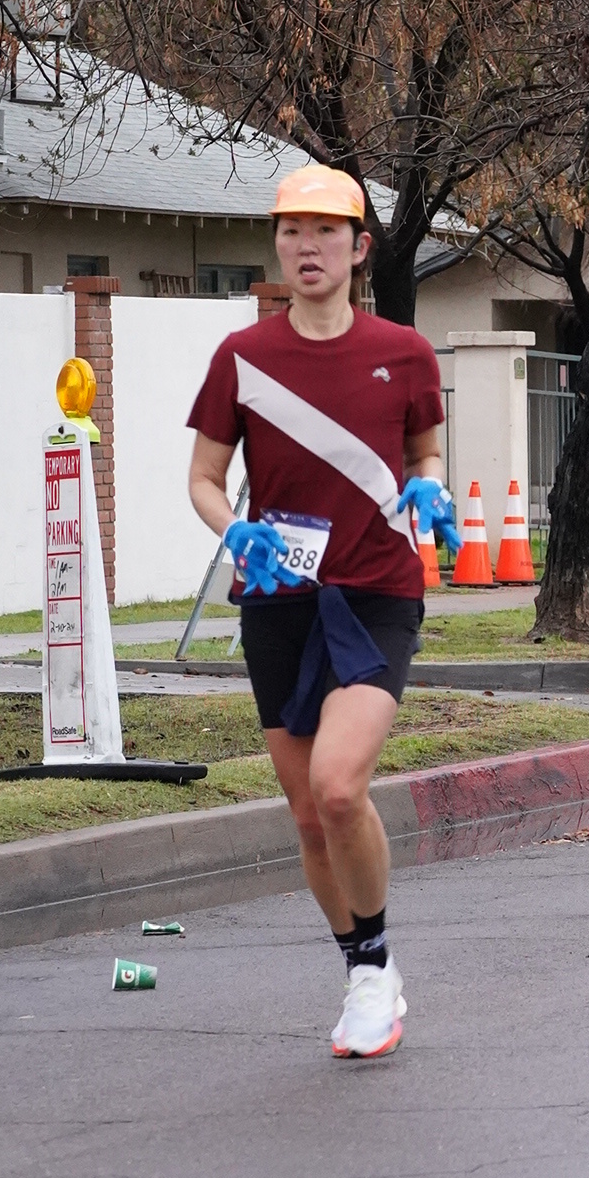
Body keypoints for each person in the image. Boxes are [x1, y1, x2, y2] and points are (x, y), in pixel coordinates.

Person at [187, 165, 453, 1060]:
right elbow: (203, 479)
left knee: (341, 787)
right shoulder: (242, 356)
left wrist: (431, 490)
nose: (308, 247)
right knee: (307, 815)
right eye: (292, 231)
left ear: (359, 248)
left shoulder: (405, 352)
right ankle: (359, 966)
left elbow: (424, 453)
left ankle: (374, 969)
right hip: (279, 600)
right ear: (276, 246)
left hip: (377, 593)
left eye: (326, 232)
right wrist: (233, 530)